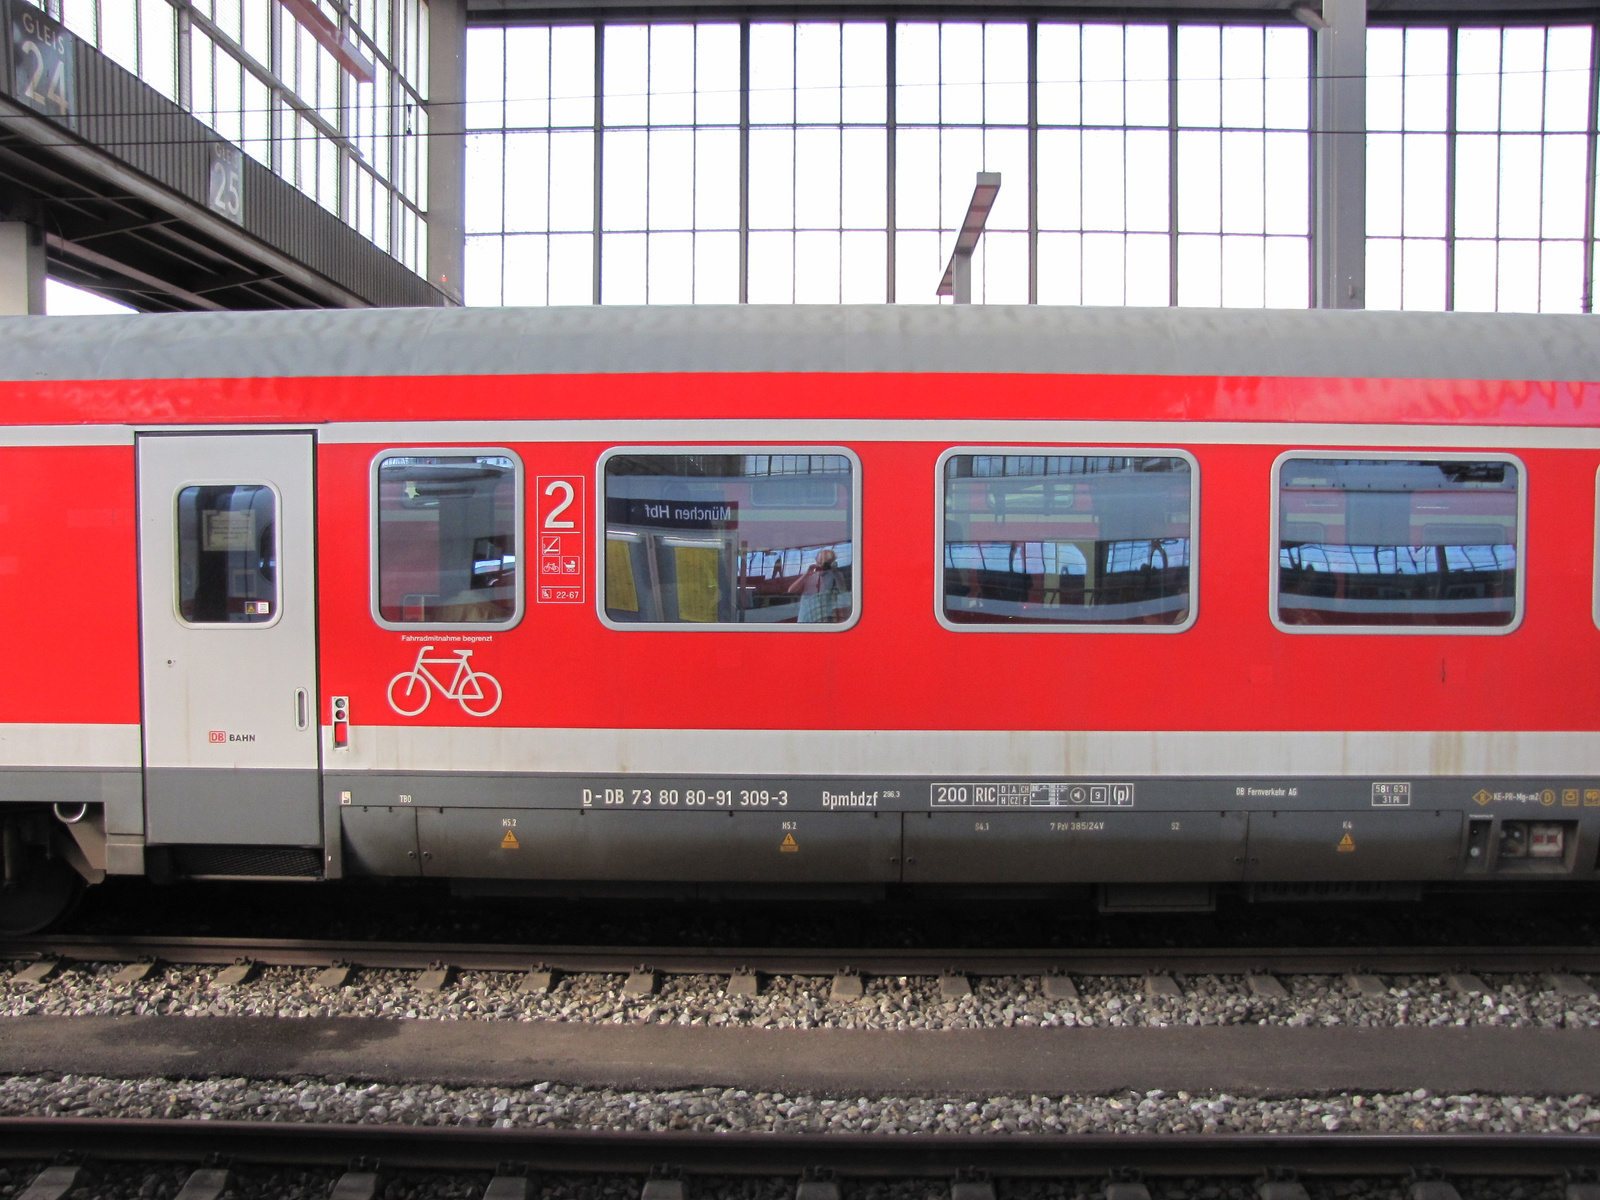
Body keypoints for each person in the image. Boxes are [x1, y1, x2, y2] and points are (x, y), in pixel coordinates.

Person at [788, 548, 843, 623]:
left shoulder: (836, 575)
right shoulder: (808, 575)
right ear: (816, 560)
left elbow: (843, 590)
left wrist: (835, 572)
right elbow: (791, 590)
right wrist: (807, 574)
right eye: (820, 562)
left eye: (826, 563)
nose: (822, 565)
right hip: (806, 617)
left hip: (825, 617)